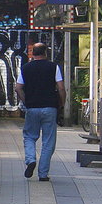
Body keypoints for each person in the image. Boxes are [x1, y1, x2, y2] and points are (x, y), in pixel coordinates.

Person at [15, 42, 65, 182]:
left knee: (29, 137)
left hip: (32, 108)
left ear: (32, 53)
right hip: (50, 108)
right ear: (45, 53)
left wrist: (26, 102)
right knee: (48, 141)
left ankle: (31, 160)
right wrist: (61, 104)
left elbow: (18, 88)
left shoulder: (25, 68)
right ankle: (42, 174)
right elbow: (61, 88)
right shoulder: (53, 67)